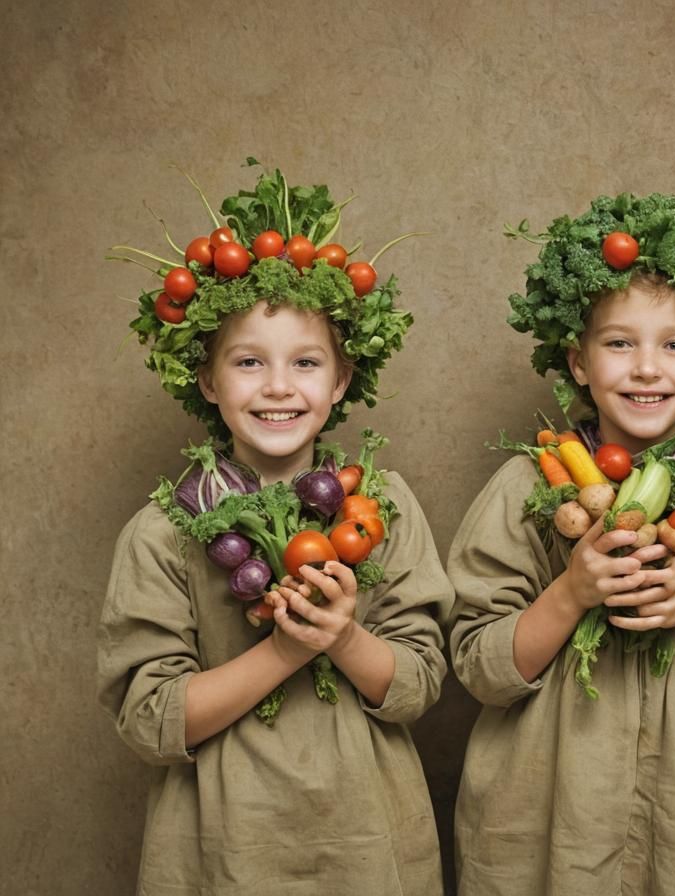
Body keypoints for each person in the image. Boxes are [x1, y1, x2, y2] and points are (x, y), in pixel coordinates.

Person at [97, 165, 452, 895]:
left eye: (307, 363)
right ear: (206, 380)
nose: (280, 387)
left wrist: (345, 638)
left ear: (343, 379)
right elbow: (150, 721)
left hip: (369, 838)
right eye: (249, 362)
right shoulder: (162, 532)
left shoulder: (384, 504)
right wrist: (289, 650)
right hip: (222, 849)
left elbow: (417, 686)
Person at [448, 193, 675, 895]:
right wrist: (571, 591)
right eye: (619, 343)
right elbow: (477, 665)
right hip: (542, 801)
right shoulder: (525, 483)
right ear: (578, 361)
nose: (647, 368)